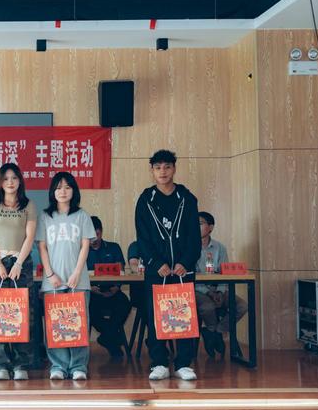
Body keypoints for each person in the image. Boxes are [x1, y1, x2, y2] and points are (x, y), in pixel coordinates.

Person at [134, 149, 201, 381]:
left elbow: (194, 236)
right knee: (156, 316)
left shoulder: (187, 198)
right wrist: (155, 262)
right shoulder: (146, 200)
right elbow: (142, 238)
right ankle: (159, 362)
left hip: (183, 270)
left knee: (184, 315)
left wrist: (185, 261)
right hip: (157, 271)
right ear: (152, 171)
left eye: (167, 167)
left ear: (174, 169)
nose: (162, 171)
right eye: (158, 167)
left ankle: (183, 363)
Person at [36, 172, 95, 380]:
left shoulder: (82, 216)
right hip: (52, 281)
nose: (63, 191)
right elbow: (42, 247)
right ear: (52, 191)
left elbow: (85, 246)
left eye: (67, 187)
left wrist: (77, 273)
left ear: (74, 191)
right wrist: (50, 274)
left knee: (79, 323)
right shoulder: (45, 216)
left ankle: (79, 366)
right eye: (58, 187)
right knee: (55, 324)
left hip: (78, 280)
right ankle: (58, 366)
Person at [0, 162, 37, 381]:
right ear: (0, 182)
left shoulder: (28, 205)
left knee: (23, 314)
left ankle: (21, 364)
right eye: (5, 178)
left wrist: (18, 264)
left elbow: (30, 237)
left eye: (14, 178)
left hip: (21, 263)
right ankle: (1, 365)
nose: (10, 182)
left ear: (20, 181)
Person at [194, 211, 247, 358]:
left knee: (242, 306)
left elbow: (225, 272)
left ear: (210, 227)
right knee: (207, 306)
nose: (195, 226)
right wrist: (209, 293)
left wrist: (220, 291)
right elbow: (190, 277)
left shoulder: (220, 248)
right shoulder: (189, 247)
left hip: (218, 288)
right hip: (198, 290)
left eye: (200, 223)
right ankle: (213, 331)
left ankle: (215, 332)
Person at [87, 216, 131, 359]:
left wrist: (117, 287)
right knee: (87, 309)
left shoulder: (113, 247)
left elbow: (121, 270)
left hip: (113, 291)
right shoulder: (81, 251)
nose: (93, 239)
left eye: (96, 234)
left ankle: (107, 337)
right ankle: (111, 339)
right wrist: (89, 288)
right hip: (93, 293)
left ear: (101, 232)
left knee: (125, 304)